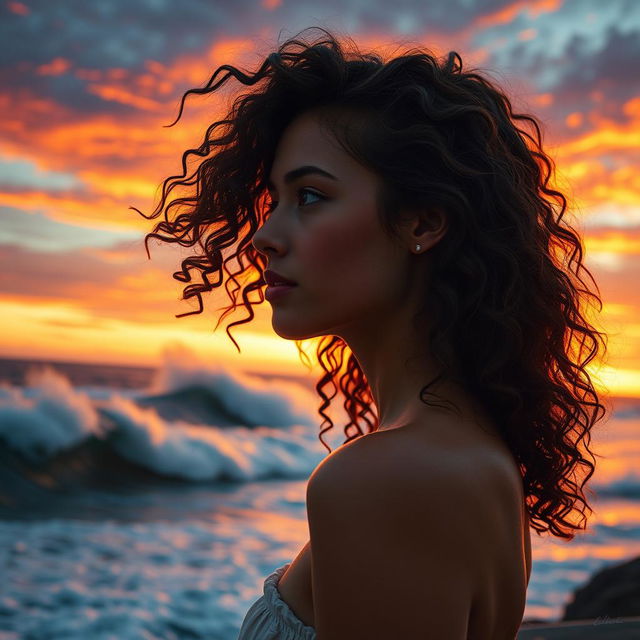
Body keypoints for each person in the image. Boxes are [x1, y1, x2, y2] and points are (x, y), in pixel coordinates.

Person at [137, 26, 609, 640]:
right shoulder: (467, 449)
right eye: (272, 201)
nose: (265, 236)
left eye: (310, 196)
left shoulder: (387, 477)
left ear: (422, 223)